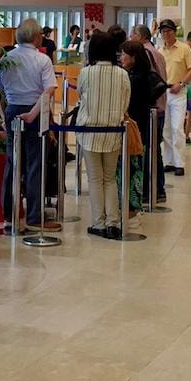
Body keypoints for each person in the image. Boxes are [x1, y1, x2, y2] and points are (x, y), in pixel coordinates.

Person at [0, 19, 56, 231]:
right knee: (35, 165)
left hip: (12, 109)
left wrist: (4, 117)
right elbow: (48, 91)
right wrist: (32, 114)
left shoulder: (6, 58)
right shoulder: (43, 60)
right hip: (35, 111)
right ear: (36, 37)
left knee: (13, 164)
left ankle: (8, 215)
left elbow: (0, 89)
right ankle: (33, 216)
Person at [76, 31, 130, 238]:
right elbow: (125, 103)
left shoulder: (86, 73)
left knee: (95, 179)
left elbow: (81, 95)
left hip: (89, 132)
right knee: (110, 178)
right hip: (113, 132)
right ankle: (113, 223)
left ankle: (98, 222)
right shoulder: (122, 74)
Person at [119, 39, 164, 229]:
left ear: (134, 57)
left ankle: (133, 207)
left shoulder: (132, 78)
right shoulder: (147, 76)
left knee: (134, 166)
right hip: (142, 123)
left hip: (136, 125)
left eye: (124, 55)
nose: (121, 58)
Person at [131, 24, 168, 199]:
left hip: (150, 108)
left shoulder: (143, 53)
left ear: (140, 36)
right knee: (155, 149)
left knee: (148, 149)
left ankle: (151, 188)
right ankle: (158, 188)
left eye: (133, 34)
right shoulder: (157, 52)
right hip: (160, 106)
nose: (130, 36)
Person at [156, 19, 191, 177]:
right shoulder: (159, 50)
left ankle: (180, 163)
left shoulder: (184, 48)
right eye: (163, 31)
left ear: (175, 32)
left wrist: (181, 83)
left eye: (169, 31)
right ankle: (169, 161)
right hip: (163, 92)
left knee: (177, 128)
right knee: (165, 129)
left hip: (179, 91)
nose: (166, 34)